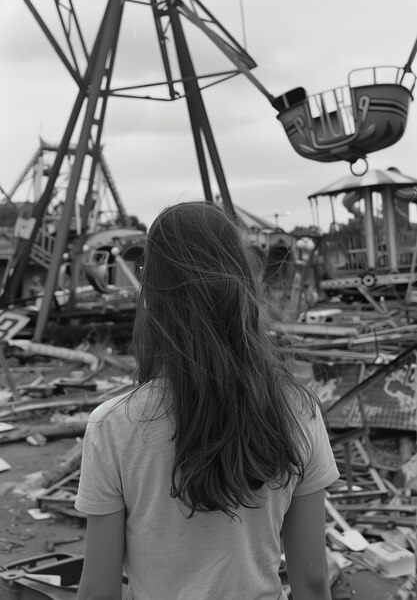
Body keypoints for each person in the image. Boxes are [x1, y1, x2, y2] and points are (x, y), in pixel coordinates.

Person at [75, 201, 339, 600]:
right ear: (244, 284)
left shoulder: (113, 426)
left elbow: (98, 592)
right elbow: (313, 582)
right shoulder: (298, 411)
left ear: (151, 296)